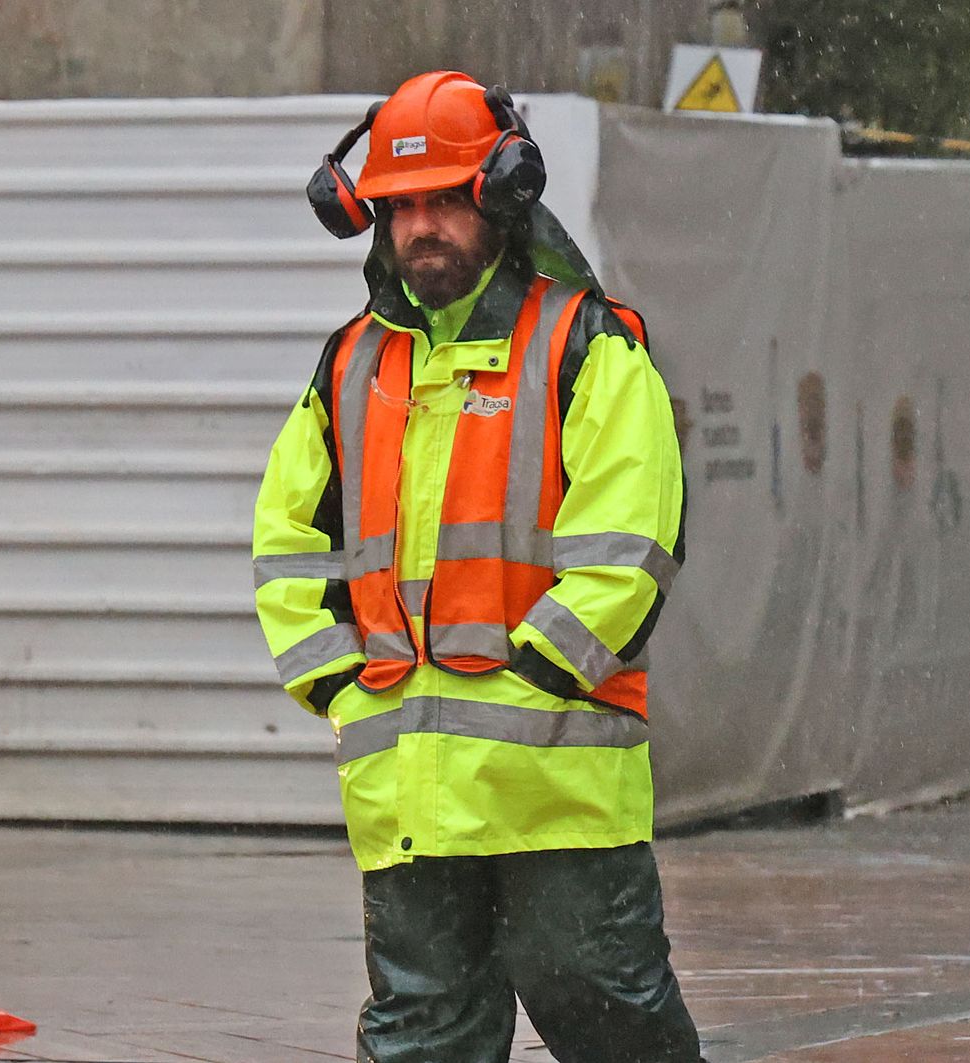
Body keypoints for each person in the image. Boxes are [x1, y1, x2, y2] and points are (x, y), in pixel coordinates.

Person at [253, 71, 703, 1063]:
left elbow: (628, 546)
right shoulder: (350, 366)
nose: (423, 227)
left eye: (446, 199)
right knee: (423, 1041)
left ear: (502, 196)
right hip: (407, 801)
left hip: (556, 796)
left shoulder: (585, 346)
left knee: (609, 1024)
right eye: (402, 205)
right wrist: (336, 682)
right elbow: (288, 542)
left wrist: (532, 682)